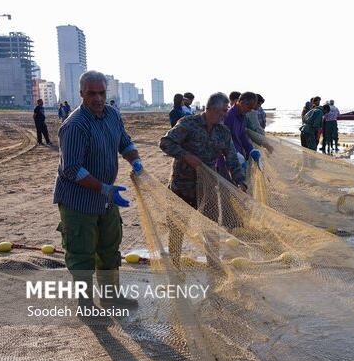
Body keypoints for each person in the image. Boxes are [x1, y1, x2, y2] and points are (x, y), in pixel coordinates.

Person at [53, 70, 143, 308]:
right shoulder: (74, 125)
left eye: (101, 93)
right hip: (78, 202)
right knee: (81, 254)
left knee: (110, 249)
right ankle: (86, 304)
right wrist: (104, 188)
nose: (97, 98)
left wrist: (135, 160)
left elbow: (124, 141)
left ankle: (110, 297)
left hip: (106, 200)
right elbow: (72, 169)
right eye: (91, 93)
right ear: (81, 94)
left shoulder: (113, 115)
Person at [160, 92, 247, 267]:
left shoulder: (223, 132)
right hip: (182, 186)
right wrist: (185, 156)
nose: (225, 114)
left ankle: (214, 265)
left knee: (211, 227)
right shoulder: (188, 124)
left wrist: (239, 180)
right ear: (211, 109)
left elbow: (231, 158)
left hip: (208, 187)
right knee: (177, 227)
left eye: (226, 110)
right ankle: (175, 264)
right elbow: (165, 142)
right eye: (223, 111)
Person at [224, 92, 264, 170]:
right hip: (229, 158)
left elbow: (242, 135)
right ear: (241, 103)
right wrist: (235, 153)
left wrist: (251, 149)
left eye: (252, 108)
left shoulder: (242, 116)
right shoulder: (229, 116)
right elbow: (224, 140)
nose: (250, 111)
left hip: (239, 155)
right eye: (249, 107)